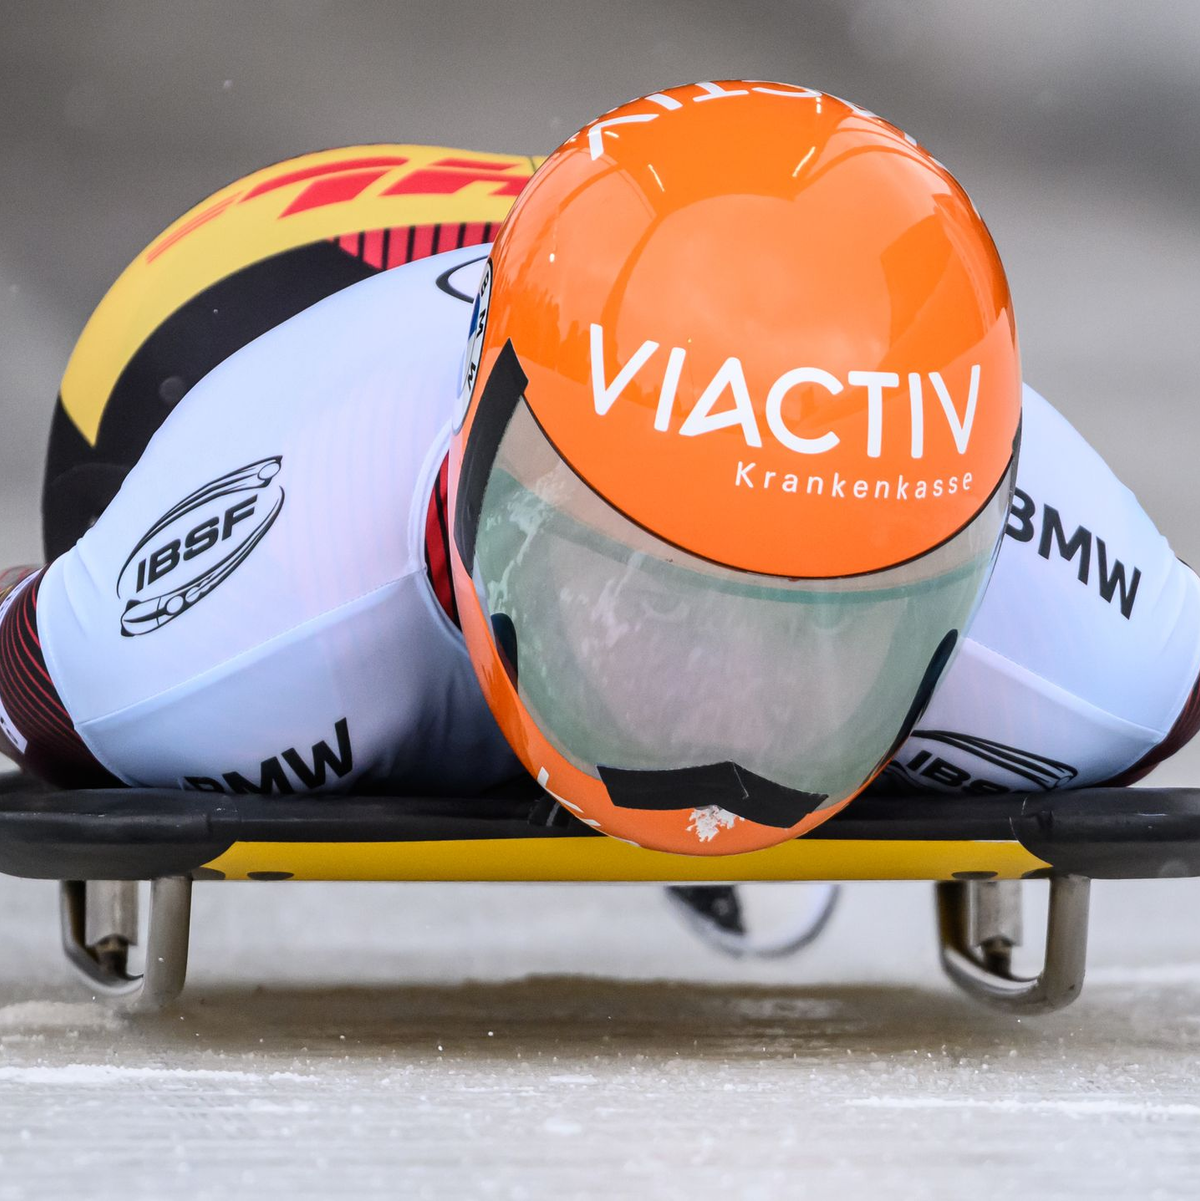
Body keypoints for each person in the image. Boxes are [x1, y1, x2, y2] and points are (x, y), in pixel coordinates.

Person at [2, 84, 1197, 859]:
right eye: (652, 589)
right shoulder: (187, 650)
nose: (731, 711)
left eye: (835, 618)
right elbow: (39, 665)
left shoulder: (1107, 655)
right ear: (484, 470)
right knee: (106, 485)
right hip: (272, 290)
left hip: (587, 308)